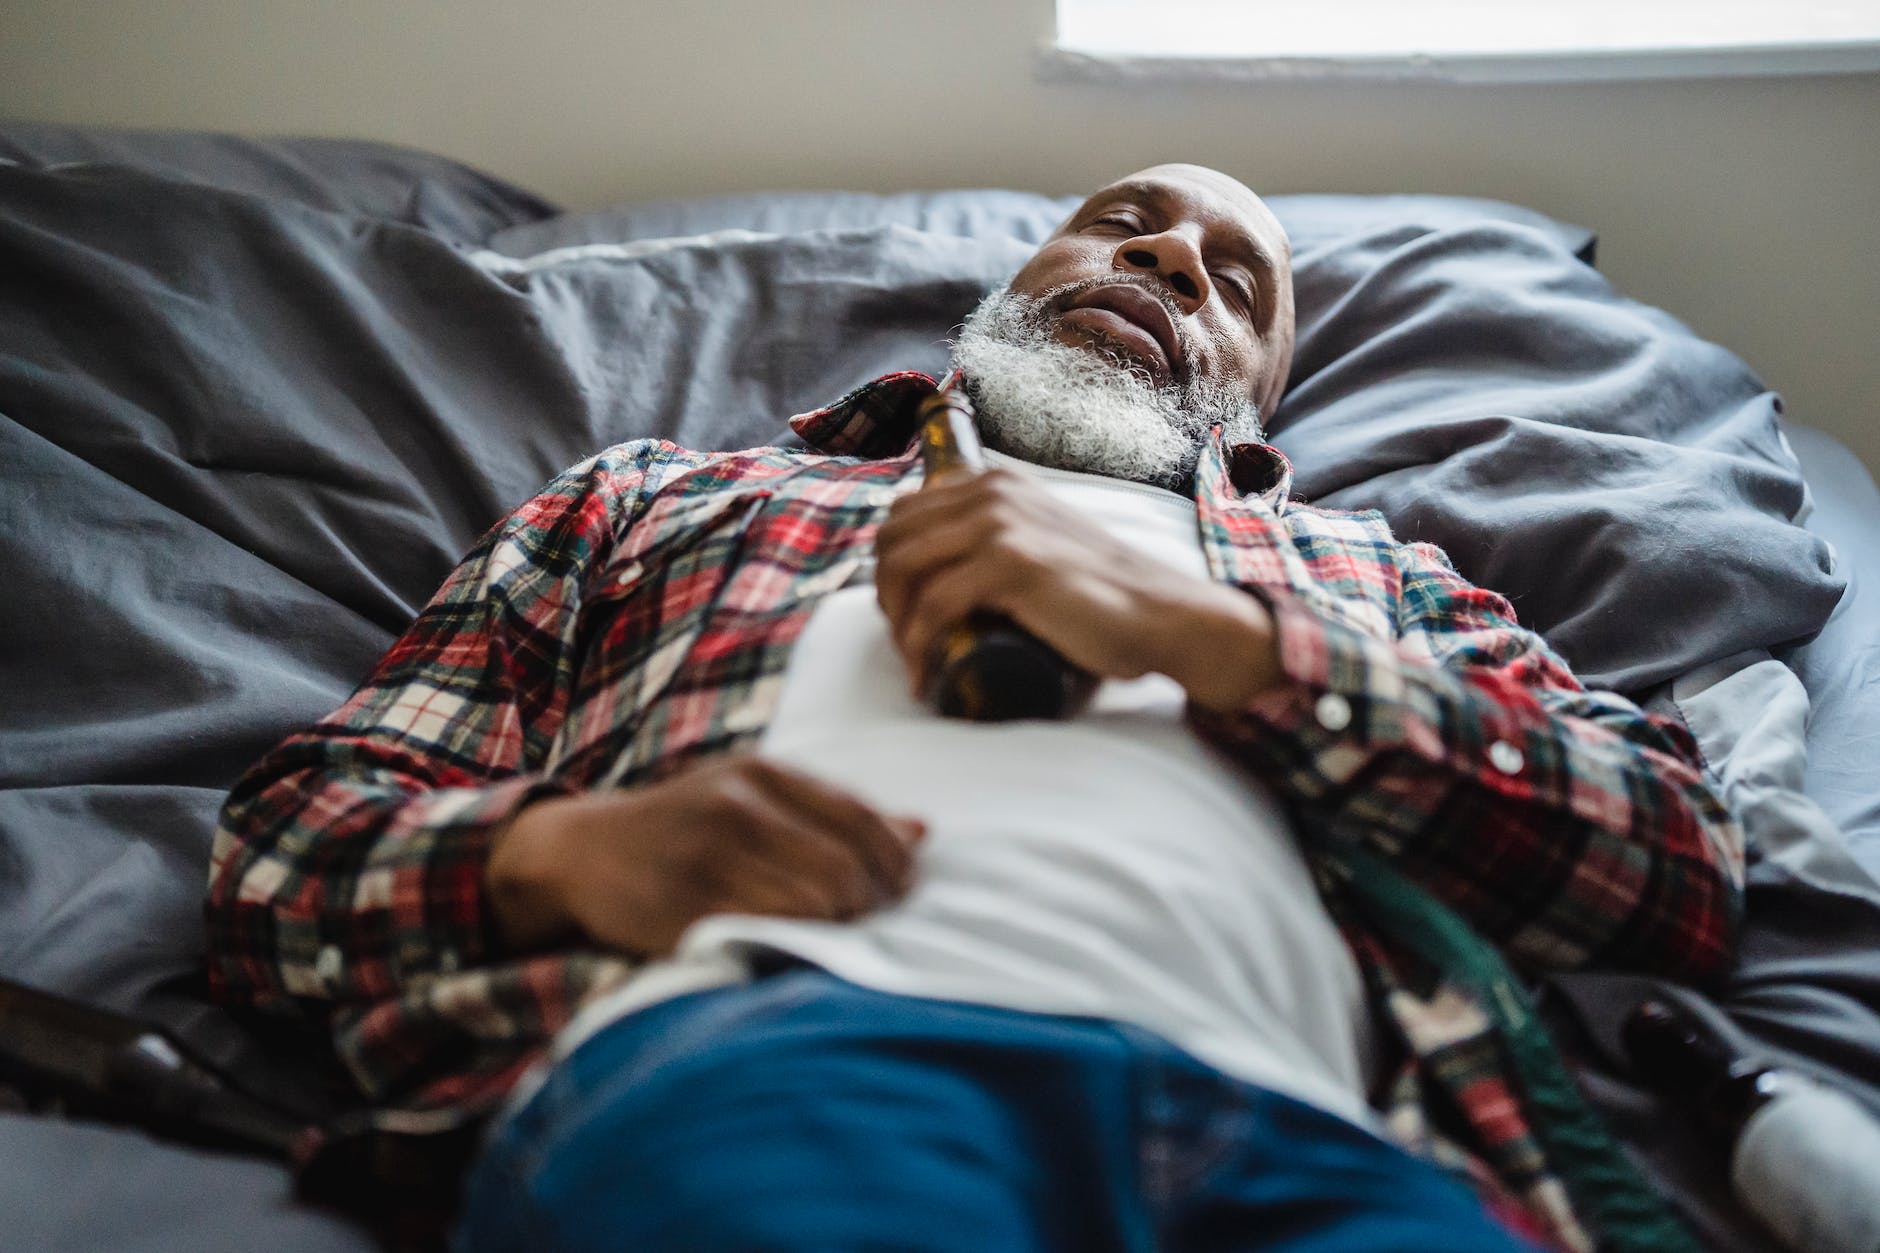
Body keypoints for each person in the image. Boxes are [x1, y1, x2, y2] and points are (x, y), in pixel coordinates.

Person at [204, 164, 1743, 1252]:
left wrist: (1224, 643)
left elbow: (1676, 858)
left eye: (1234, 283)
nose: (1171, 259)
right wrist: (566, 856)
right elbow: (282, 857)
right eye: (1123, 224)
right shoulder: (657, 500)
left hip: (1324, 1141)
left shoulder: (1375, 582)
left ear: (1263, 393)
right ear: (1017, 285)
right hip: (788, 1059)